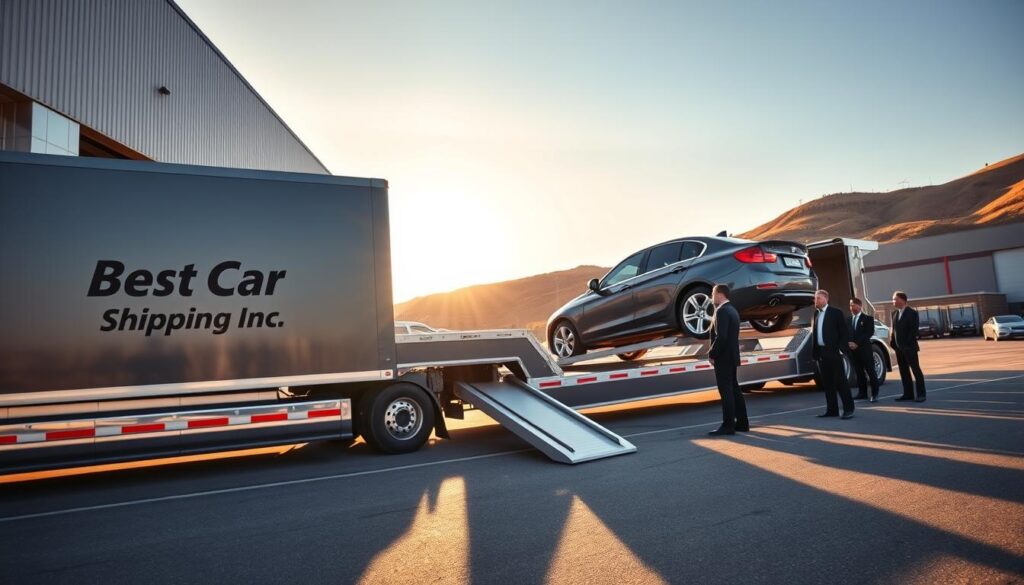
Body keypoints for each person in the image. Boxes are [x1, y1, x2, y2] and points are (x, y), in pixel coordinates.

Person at [707, 284, 749, 436]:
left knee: (726, 392)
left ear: (720, 294)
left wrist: (712, 353)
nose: (712, 296)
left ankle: (728, 425)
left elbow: (722, 336)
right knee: (735, 390)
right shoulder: (733, 310)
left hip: (723, 357)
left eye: (713, 293)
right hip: (731, 356)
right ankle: (743, 423)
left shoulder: (722, 311)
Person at [811, 289, 854, 419]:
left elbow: (844, 333)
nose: (816, 300)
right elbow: (815, 334)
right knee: (828, 383)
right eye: (815, 298)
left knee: (841, 381)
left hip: (834, 352)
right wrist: (816, 353)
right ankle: (832, 410)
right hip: (822, 354)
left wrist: (840, 349)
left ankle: (848, 409)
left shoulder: (836, 313)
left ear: (826, 299)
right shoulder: (815, 314)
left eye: (818, 298)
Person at [889, 291, 926, 402]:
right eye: (893, 299)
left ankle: (921, 394)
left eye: (895, 299)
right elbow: (894, 331)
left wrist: (907, 346)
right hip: (899, 349)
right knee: (904, 372)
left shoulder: (912, 313)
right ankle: (908, 394)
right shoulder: (894, 313)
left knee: (916, 370)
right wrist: (893, 344)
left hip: (909, 348)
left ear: (903, 300)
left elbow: (913, 331)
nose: (893, 301)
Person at [848, 298, 880, 402]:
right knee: (859, 372)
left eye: (853, 305)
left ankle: (874, 394)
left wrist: (857, 343)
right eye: (850, 305)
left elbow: (868, 333)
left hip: (864, 350)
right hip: (853, 351)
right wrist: (849, 343)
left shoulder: (867, 319)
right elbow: (846, 333)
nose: (851, 307)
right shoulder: (848, 320)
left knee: (871, 372)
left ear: (859, 306)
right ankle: (862, 393)